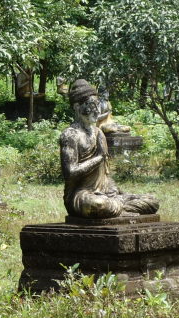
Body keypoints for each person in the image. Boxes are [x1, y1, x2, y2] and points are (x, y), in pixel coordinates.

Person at [60, 80, 159, 219]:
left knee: (152, 201)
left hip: (105, 193)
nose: (97, 110)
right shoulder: (70, 135)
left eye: (98, 105)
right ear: (77, 107)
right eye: (92, 105)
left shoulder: (99, 133)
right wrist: (99, 157)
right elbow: (70, 172)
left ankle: (116, 207)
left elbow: (105, 173)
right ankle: (116, 208)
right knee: (97, 204)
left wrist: (114, 192)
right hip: (82, 195)